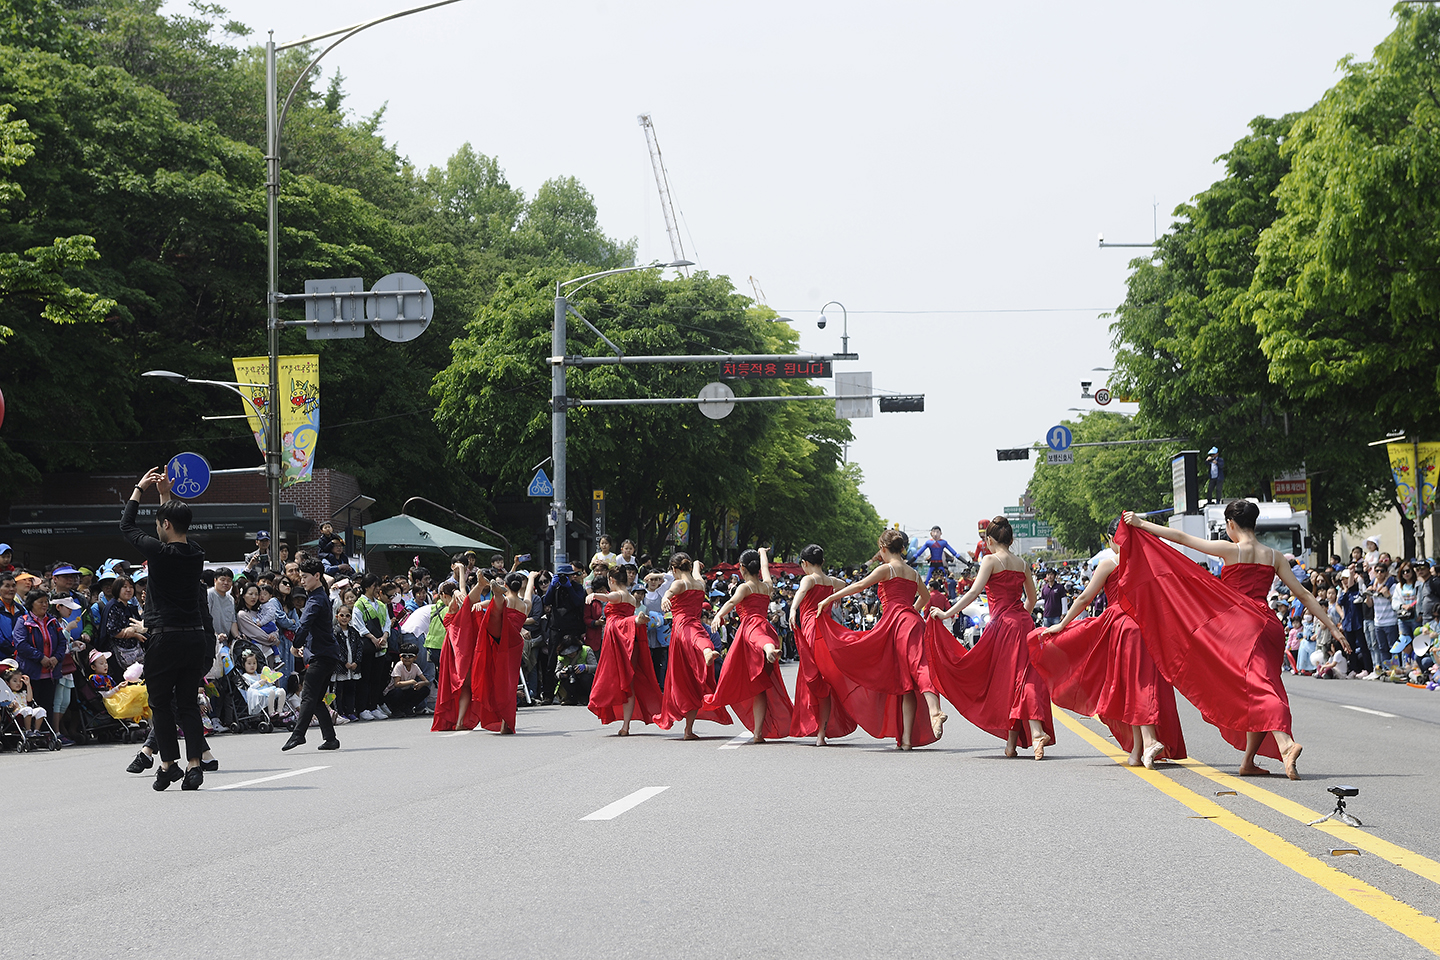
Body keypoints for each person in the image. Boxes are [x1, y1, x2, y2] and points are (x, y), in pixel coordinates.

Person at [1116, 503, 1347, 779]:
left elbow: (1182, 538)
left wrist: (1142, 525)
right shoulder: (1274, 556)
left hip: (1240, 628)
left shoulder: (1231, 549)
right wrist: (1332, 627)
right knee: (1258, 688)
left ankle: (1285, 744)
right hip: (1270, 626)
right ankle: (1248, 761)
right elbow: (1306, 596)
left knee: (1260, 689)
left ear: (1231, 525)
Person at [1028, 520, 1186, 768]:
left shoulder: (1109, 563)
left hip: (1123, 627)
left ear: (1114, 538)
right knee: (1139, 684)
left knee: (1132, 685)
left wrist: (1062, 625)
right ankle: (1137, 751)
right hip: (1149, 627)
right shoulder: (1146, 561)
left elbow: (1084, 598)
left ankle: (1149, 739)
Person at [927, 517, 1054, 759]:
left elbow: (974, 592)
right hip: (1024, 624)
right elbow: (1032, 599)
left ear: (989, 540)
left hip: (1003, 627)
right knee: (1023, 677)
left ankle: (1032, 735)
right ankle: (1015, 742)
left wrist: (947, 613)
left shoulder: (990, 560)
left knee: (1010, 680)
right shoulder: (1022, 564)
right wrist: (1020, 617)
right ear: (1012, 540)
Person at [121, 468, 211, 791]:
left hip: (165, 637)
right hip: (195, 637)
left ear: (165, 525)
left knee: (160, 703)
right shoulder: (196, 552)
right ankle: (195, 765)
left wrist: (138, 488)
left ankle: (168, 763)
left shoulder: (158, 553)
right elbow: (171, 524)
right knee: (188, 702)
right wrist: (165, 497)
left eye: (159, 523)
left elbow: (126, 526)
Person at [814, 530, 946, 750]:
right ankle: (906, 740)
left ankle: (934, 712)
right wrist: (909, 612)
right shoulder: (913, 573)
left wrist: (829, 598)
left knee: (913, 670)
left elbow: (858, 586)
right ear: (902, 549)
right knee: (909, 679)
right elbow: (925, 597)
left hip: (898, 624)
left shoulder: (887, 568)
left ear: (884, 549)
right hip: (911, 622)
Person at [703, 548, 793, 743]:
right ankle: (758, 733)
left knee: (752, 651)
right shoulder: (767, 586)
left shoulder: (745, 587)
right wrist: (762, 553)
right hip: (766, 627)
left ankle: (770, 650)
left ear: (742, 568)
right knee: (758, 685)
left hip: (751, 627)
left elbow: (732, 601)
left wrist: (719, 615)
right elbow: (766, 569)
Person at [788, 543, 858, 746]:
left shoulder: (809, 579)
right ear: (823, 562)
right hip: (826, 630)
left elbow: (800, 593)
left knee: (812, 678)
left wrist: (793, 610)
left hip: (811, 630)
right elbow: (844, 584)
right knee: (825, 681)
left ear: (805, 563)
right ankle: (821, 735)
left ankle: (813, 726)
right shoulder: (829, 581)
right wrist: (834, 598)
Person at [657, 554, 731, 739]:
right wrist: (697, 565)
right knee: (699, 642)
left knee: (686, 678)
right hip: (694, 625)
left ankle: (688, 730)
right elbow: (696, 574)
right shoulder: (700, 584)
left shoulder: (679, 584)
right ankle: (706, 652)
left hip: (681, 627)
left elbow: (669, 593)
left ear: (674, 569)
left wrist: (665, 599)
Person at [586, 566, 661, 735]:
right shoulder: (631, 598)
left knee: (613, 677)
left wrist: (594, 595)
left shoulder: (618, 595)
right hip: (630, 639)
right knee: (629, 683)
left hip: (618, 639)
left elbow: (609, 596)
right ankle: (625, 726)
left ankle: (634, 619)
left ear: (612, 580)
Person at [464, 570, 539, 734]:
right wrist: (532, 577)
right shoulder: (526, 605)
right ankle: (506, 722)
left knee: (495, 611)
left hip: (500, 639)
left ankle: (495, 595)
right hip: (513, 645)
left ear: (505, 586)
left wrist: (479, 604)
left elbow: (487, 605)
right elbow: (528, 593)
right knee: (509, 683)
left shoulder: (505, 600)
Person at [282, 557, 340, 752]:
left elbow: (304, 625)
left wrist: (295, 645)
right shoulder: (320, 595)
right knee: (315, 699)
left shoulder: (315, 599)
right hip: (327, 654)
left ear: (317, 576)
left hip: (322, 655)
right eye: (300, 576)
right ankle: (330, 738)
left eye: (305, 576)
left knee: (308, 695)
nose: (302, 580)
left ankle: (298, 735)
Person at [431, 562, 488, 731]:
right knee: (469, 686)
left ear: (443, 594)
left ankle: (460, 721)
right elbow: (464, 595)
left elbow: (464, 594)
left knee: (464, 687)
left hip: (455, 651)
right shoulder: (458, 607)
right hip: (466, 648)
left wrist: (461, 575)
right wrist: (461, 573)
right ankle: (460, 721)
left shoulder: (450, 608)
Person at [542, 562, 587, 706]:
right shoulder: (555, 588)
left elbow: (578, 603)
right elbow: (547, 601)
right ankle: (548, 695)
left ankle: (574, 694)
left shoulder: (578, 588)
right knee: (551, 662)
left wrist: (568, 586)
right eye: (562, 576)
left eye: (567, 576)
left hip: (572, 628)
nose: (565, 579)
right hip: (556, 628)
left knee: (574, 659)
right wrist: (552, 587)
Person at [352, 574, 391, 721]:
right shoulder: (360, 604)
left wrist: (385, 636)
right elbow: (358, 624)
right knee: (365, 678)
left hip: (381, 644)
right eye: (375, 586)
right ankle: (363, 707)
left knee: (377, 678)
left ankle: (374, 706)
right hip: (368, 645)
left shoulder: (381, 604)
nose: (377, 589)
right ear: (367, 587)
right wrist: (372, 638)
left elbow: (386, 622)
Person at [383, 641, 431, 717]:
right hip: (393, 693)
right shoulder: (399, 666)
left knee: (425, 690)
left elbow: (426, 681)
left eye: (410, 656)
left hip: (405, 692)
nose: (407, 658)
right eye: (404, 656)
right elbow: (397, 684)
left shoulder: (415, 666)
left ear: (415, 657)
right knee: (398, 692)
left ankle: (407, 707)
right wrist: (411, 682)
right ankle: (395, 709)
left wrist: (422, 683)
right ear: (400, 656)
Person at [237, 650, 285, 719]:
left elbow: (268, 685)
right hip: (257, 694)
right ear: (243, 665)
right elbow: (249, 688)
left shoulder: (260, 675)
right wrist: (259, 683)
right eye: (249, 663)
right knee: (271, 692)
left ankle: (279, 711)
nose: (252, 666)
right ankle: (271, 713)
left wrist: (269, 680)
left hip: (266, 691)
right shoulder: (245, 676)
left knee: (281, 691)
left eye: (254, 663)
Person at [554, 638, 597, 705]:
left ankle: (588, 697)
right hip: (570, 679)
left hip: (584, 677)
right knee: (565, 678)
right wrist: (561, 674)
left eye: (572, 652)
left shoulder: (586, 650)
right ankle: (571, 699)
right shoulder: (561, 657)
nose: (570, 654)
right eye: (568, 653)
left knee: (586, 678)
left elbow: (595, 666)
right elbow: (557, 671)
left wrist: (585, 667)